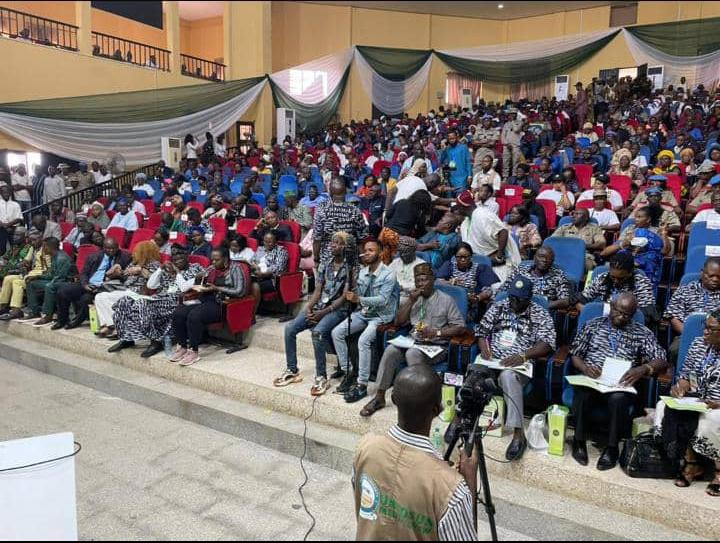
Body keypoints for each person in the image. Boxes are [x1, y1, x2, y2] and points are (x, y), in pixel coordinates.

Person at [352, 365, 477, 541]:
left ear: (393, 399)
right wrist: (470, 479)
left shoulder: (365, 447)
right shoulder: (451, 488)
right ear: (437, 409)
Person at [570, 293, 667, 470]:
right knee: (583, 393)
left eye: (627, 314)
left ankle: (612, 447)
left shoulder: (641, 332)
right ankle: (578, 441)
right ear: (611, 308)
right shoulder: (593, 326)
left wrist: (643, 369)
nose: (622, 317)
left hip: (619, 384)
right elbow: (576, 354)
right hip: (593, 379)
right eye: (619, 312)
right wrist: (585, 368)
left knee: (618, 399)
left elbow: (661, 359)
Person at [360, 263, 467, 418]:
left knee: (412, 353)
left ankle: (419, 401)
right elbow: (398, 322)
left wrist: (436, 332)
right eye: (418, 280)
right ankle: (379, 396)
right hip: (413, 340)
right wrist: (410, 301)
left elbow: (460, 327)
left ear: (433, 280)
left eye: (424, 280)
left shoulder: (446, 300)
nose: (420, 284)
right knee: (391, 351)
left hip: (436, 346)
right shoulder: (413, 297)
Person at [475, 275, 556, 460]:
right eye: (511, 296)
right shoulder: (500, 306)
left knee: (508, 376)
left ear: (528, 299)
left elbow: (548, 343)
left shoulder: (539, 313)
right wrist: (484, 348)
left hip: (520, 365)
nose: (512, 301)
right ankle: (460, 419)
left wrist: (523, 355)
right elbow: (481, 331)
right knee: (474, 371)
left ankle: (518, 434)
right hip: (492, 360)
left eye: (517, 299)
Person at [274, 232, 357, 395]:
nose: (334, 245)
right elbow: (318, 290)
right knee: (290, 329)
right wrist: (310, 307)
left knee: (318, 333)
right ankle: (292, 369)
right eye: (333, 243)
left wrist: (323, 313)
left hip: (338, 310)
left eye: (338, 243)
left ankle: (321, 377)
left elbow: (343, 297)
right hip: (319, 306)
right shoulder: (325, 264)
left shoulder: (350, 267)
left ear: (345, 247)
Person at [654, 309, 720, 496]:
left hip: (717, 404)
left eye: (712, 330)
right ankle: (691, 464)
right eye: (705, 328)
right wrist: (680, 386)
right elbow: (687, 375)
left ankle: (719, 471)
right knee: (665, 406)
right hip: (698, 398)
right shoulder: (699, 344)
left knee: (712, 420)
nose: (705, 332)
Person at [331, 240, 399, 403]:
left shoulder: (388, 274)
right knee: (337, 332)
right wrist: (353, 286)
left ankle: (362, 384)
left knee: (363, 341)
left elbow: (383, 300)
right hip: (364, 312)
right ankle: (349, 372)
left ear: (380, 253)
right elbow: (358, 297)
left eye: (371, 250)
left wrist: (358, 298)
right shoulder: (362, 272)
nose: (367, 253)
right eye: (365, 250)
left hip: (381, 316)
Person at [109, 249, 204, 357]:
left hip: (175, 301)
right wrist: (160, 269)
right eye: (175, 260)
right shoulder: (167, 270)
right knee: (124, 301)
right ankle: (126, 338)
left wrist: (177, 273)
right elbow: (151, 285)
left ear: (187, 257)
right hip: (158, 298)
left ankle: (155, 341)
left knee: (141, 304)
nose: (177, 262)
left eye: (180, 259)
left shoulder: (195, 268)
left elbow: (184, 288)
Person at [169, 246, 246, 366]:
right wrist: (199, 280)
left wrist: (217, 288)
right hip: (206, 299)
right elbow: (203, 284)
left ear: (225, 259)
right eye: (212, 260)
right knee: (179, 313)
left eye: (217, 260)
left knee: (194, 316)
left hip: (221, 303)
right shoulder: (211, 269)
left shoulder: (236, 268)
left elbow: (240, 291)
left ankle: (193, 351)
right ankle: (183, 347)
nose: (213, 262)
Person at [54, 238, 131, 330]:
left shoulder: (124, 257)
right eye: (108, 248)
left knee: (86, 299)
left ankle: (76, 321)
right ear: (103, 248)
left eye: (114, 248)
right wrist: (85, 285)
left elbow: (126, 275)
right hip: (89, 283)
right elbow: (84, 273)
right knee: (63, 291)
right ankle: (61, 320)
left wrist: (118, 274)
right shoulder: (93, 256)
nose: (111, 250)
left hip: (105, 286)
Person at [93, 240, 161, 339]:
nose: (134, 253)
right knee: (100, 297)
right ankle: (110, 325)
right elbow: (125, 275)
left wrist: (141, 270)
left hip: (140, 293)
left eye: (137, 251)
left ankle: (117, 327)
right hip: (127, 289)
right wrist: (118, 272)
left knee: (115, 298)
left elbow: (154, 281)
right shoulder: (134, 263)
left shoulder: (155, 264)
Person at [454, 190, 520, 282]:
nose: (456, 210)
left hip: (497, 263)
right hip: (480, 262)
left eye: (457, 207)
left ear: (462, 207)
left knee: (495, 287)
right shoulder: (466, 221)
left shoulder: (483, 215)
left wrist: (499, 256)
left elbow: (503, 232)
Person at [577, 252, 657, 323]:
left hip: (629, 324)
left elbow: (645, 315)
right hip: (601, 323)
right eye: (613, 277)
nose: (616, 281)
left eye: (621, 278)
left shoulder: (641, 282)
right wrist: (588, 312)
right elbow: (580, 299)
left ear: (631, 272)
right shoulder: (603, 278)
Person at [665, 257, 720, 359]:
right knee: (676, 349)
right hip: (687, 335)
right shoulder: (685, 290)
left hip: (717, 338)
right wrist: (689, 333)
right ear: (702, 273)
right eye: (711, 275)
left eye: (719, 277)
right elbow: (673, 317)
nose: (715, 279)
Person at [313, 179, 368, 274]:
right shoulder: (355, 210)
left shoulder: (321, 209)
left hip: (328, 259)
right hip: (350, 260)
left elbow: (317, 238)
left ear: (330, 192)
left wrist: (316, 259)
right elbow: (361, 239)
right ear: (346, 192)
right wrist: (363, 259)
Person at [436, 242, 498, 319]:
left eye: (466, 257)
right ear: (455, 257)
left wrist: (477, 298)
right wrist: (450, 282)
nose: (463, 259)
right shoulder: (449, 266)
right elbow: (437, 282)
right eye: (459, 257)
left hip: (469, 305)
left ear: (471, 256)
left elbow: (488, 290)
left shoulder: (480, 269)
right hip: (448, 303)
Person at [499, 246, 572, 310]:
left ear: (552, 261)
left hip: (542, 314)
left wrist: (543, 305)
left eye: (549, 258)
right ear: (534, 258)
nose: (544, 260)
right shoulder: (520, 270)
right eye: (541, 256)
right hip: (515, 307)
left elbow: (565, 301)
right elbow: (502, 291)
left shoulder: (558, 275)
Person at [25, 237, 77, 326]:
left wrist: (49, 281)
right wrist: (38, 276)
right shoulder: (54, 256)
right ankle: (34, 311)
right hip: (56, 279)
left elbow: (60, 277)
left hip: (67, 282)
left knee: (49, 286)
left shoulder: (62, 258)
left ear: (50, 247)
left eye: (44, 246)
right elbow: (51, 274)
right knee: (31, 283)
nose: (43, 249)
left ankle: (48, 315)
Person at [0, 232, 47, 321]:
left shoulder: (46, 250)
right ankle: (3, 306)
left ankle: (16, 310)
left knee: (17, 282)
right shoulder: (33, 248)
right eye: (31, 240)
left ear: (41, 239)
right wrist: (24, 265)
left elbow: (47, 269)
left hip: (39, 276)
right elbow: (26, 262)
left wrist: (31, 274)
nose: (32, 242)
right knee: (8, 278)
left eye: (35, 240)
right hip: (30, 273)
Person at [380, 190, 433, 265]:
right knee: (394, 262)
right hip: (398, 236)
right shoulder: (418, 212)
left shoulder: (401, 201)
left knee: (384, 259)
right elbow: (420, 229)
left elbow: (388, 214)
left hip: (385, 232)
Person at [248, 231, 289, 312]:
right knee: (244, 282)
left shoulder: (281, 251)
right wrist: (254, 266)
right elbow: (252, 260)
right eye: (265, 241)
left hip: (271, 279)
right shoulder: (260, 249)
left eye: (270, 242)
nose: (267, 244)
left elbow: (278, 268)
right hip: (256, 274)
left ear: (276, 242)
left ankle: (253, 312)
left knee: (255, 285)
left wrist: (263, 274)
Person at [501, 109, 524, 180]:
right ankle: (505, 176)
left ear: (516, 115)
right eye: (511, 114)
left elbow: (516, 130)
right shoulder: (506, 124)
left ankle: (514, 176)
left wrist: (513, 122)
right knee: (506, 161)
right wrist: (506, 143)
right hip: (507, 145)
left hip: (515, 145)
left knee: (515, 162)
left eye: (514, 114)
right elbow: (502, 135)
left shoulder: (520, 122)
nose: (512, 115)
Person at [0, 184, 22, 257]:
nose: (6, 194)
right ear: (1, 193)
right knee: (1, 248)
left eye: (7, 192)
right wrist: (5, 226)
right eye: (4, 192)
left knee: (15, 247)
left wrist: (7, 225)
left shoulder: (15, 204)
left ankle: (13, 262)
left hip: (13, 228)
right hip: (1, 228)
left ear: (10, 193)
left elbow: (19, 218)